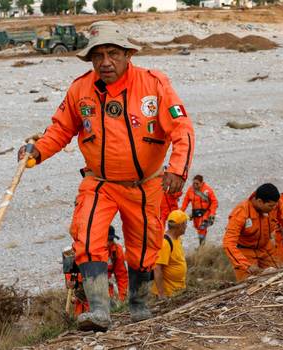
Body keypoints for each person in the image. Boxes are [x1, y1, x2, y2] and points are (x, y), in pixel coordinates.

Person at [18, 21, 195, 331]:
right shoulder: (80, 89)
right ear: (90, 59)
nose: (105, 62)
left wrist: (178, 169)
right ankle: (99, 310)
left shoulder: (154, 84)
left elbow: (183, 129)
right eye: (98, 56)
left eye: (113, 53)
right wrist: (37, 151)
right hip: (99, 182)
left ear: (128, 54)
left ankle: (138, 303)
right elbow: (61, 128)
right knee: (86, 236)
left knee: (143, 251)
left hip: (145, 185)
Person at [223, 183, 283, 281]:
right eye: (270, 206)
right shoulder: (241, 212)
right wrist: (246, 265)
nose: (273, 209)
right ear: (259, 201)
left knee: (281, 275)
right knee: (248, 285)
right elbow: (228, 243)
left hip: (266, 248)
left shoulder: (274, 202)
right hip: (245, 252)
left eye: (275, 205)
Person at [65, 226, 129, 316]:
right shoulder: (85, 248)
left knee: (105, 314)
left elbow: (121, 275)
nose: (109, 243)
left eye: (111, 240)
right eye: (107, 240)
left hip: (106, 291)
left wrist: (122, 297)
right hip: (84, 291)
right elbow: (73, 268)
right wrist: (72, 281)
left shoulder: (116, 251)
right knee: (82, 317)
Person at [151, 210, 188, 298]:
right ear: (179, 226)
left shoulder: (177, 239)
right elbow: (157, 269)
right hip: (169, 294)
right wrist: (161, 294)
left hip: (178, 290)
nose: (186, 226)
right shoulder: (165, 243)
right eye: (185, 223)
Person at [180, 175, 218, 246]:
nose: (195, 185)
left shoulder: (208, 190)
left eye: (197, 184)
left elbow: (214, 202)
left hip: (206, 213)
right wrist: (180, 213)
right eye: (193, 183)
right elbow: (185, 202)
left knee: (202, 228)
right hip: (196, 214)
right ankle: (203, 245)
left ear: (201, 183)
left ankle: (202, 247)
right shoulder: (190, 190)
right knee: (198, 228)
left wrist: (212, 213)